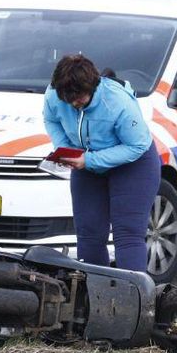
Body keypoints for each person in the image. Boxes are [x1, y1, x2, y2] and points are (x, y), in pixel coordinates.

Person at [43, 54, 159, 272]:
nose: (74, 104)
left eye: (80, 99)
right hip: (86, 163)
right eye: (69, 100)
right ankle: (94, 300)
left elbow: (137, 145)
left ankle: (134, 302)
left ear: (93, 87)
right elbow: (51, 119)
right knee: (89, 236)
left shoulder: (118, 102)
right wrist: (65, 148)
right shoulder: (54, 95)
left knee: (127, 235)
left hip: (132, 164)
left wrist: (88, 159)